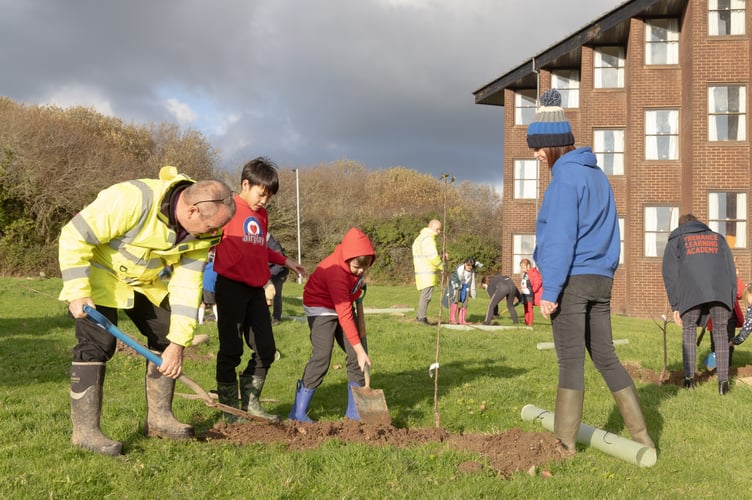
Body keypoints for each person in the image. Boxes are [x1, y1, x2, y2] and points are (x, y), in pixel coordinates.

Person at [58, 166, 235, 456]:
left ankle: (159, 419)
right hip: (99, 275)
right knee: (97, 345)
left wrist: (178, 343)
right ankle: (85, 432)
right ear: (191, 211)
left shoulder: (202, 235)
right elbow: (74, 236)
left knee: (166, 335)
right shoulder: (132, 199)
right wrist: (78, 291)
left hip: (143, 282)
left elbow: (188, 284)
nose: (216, 234)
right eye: (212, 227)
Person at [530, 89, 654, 451]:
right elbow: (611, 230)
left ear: (552, 145)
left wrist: (550, 290)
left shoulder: (564, 180)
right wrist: (607, 271)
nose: (536, 154)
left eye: (537, 147)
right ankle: (642, 439)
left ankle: (565, 445)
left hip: (572, 280)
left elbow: (560, 237)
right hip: (601, 280)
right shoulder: (598, 177)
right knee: (605, 355)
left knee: (570, 361)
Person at [213, 157, 307, 423]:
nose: (265, 201)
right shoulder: (226, 208)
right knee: (231, 350)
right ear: (245, 184)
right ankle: (230, 411)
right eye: (261, 194)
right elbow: (208, 237)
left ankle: (251, 404)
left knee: (266, 349)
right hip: (230, 287)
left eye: (269, 197)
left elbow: (258, 247)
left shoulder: (262, 215)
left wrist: (285, 260)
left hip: (256, 289)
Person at [288, 227, 376, 422]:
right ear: (347, 259)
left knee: (356, 357)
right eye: (356, 268)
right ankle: (298, 412)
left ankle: (354, 414)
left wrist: (357, 284)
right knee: (322, 356)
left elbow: (349, 291)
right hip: (320, 306)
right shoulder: (335, 271)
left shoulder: (354, 263)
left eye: (365, 268)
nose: (361, 271)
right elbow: (344, 314)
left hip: (340, 303)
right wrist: (361, 349)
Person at [662, 213, 737, 394]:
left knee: (689, 329)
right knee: (720, 332)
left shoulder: (677, 240)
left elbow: (670, 274)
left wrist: (676, 305)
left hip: (691, 292)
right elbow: (730, 269)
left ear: (681, 226)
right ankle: (723, 384)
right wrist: (731, 299)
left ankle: (689, 380)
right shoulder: (718, 239)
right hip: (720, 292)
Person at [412, 219, 444, 325]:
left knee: (425, 295)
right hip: (427, 272)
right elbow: (432, 256)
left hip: (421, 271)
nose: (439, 232)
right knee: (426, 296)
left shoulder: (419, 238)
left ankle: (420, 316)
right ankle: (421, 318)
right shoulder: (428, 239)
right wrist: (441, 266)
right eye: (437, 229)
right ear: (431, 227)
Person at [442, 257, 482, 325]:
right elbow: (454, 278)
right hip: (458, 286)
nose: (470, 267)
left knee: (465, 303)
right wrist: (455, 285)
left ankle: (462, 319)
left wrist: (477, 264)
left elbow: (477, 266)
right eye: (468, 265)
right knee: (456, 301)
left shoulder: (472, 270)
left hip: (466, 287)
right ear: (465, 264)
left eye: (471, 266)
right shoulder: (459, 269)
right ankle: (452, 319)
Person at [267, 233, 290, 325]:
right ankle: (266, 316)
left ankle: (276, 318)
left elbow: (280, 263)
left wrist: (269, 275)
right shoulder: (261, 244)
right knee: (264, 295)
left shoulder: (274, 245)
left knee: (276, 294)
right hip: (270, 272)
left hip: (279, 273)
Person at [519, 258, 543, 326]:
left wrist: (533, 290)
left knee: (529, 309)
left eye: (523, 267)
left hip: (530, 294)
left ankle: (530, 324)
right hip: (524, 294)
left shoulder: (533, 272)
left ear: (528, 265)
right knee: (525, 309)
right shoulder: (524, 274)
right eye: (521, 267)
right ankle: (526, 323)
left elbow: (538, 282)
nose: (522, 269)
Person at [198, 250, 218, 325]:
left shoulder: (207, 266)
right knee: (214, 304)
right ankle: (217, 319)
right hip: (210, 288)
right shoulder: (216, 266)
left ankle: (200, 321)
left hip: (203, 287)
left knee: (203, 304)